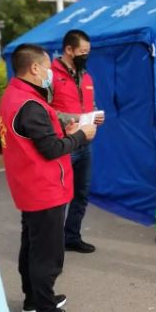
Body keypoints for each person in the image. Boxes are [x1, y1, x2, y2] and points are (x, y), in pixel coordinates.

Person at [0, 43, 97, 312]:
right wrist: (81, 135)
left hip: (29, 186)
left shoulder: (13, 96)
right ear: (34, 68)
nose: (50, 72)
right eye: (47, 67)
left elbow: (38, 139)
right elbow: (51, 149)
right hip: (44, 189)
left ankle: (34, 301)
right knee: (47, 256)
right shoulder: (30, 104)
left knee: (32, 246)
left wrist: (65, 132)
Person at [51, 29, 104, 254]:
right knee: (59, 195)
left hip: (85, 144)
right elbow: (47, 111)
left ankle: (72, 237)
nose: (86, 55)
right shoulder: (51, 76)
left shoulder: (87, 77)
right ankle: (53, 243)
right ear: (68, 49)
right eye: (82, 52)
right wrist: (77, 119)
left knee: (82, 192)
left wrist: (95, 115)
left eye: (88, 52)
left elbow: (90, 105)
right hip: (65, 144)